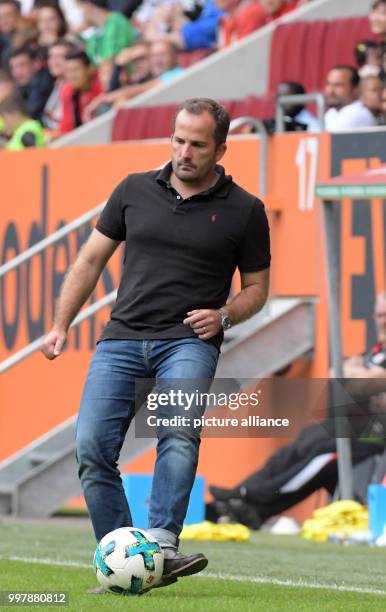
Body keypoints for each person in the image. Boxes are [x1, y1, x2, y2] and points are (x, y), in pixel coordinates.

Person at [41, 97, 271, 591]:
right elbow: (89, 261)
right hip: (121, 338)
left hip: (188, 341)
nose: (185, 152)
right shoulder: (132, 190)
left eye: (197, 144)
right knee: (91, 450)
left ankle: (162, 544)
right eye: (178, 140)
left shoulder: (246, 210)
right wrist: (61, 324)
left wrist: (226, 313)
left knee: (178, 430)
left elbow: (257, 290)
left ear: (221, 149)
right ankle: (124, 554)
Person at [209, 292, 386, 529]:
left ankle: (249, 499)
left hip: (376, 434)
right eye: (380, 314)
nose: (383, 320)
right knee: (300, 444)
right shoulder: (376, 351)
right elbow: (337, 376)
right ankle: (242, 498)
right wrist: (358, 376)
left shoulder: (373, 357)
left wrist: (358, 375)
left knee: (322, 452)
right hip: (355, 425)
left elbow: (363, 382)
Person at [84, 40, 183, 117]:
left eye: (163, 54)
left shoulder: (178, 74)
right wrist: (118, 67)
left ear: (175, 56)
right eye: (154, 56)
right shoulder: (140, 80)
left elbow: (142, 88)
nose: (157, 60)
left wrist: (103, 98)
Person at [77, 0, 137, 67]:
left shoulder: (116, 21)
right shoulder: (94, 35)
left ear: (88, 6)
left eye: (81, 7)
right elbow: (92, 63)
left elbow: (111, 58)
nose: (81, 12)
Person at [58, 48, 102, 134]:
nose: (72, 76)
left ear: (88, 69)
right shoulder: (67, 92)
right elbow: (66, 126)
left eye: (76, 69)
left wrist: (101, 99)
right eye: (68, 71)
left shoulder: (102, 82)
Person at [8, 45, 54, 119]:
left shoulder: (44, 81)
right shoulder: (20, 88)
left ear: (36, 64)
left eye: (22, 65)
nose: (17, 72)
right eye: (14, 67)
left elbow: (31, 112)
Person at [324, 65, 359, 132]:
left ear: (355, 88)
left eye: (338, 85)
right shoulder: (331, 113)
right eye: (328, 84)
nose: (330, 91)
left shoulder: (357, 112)